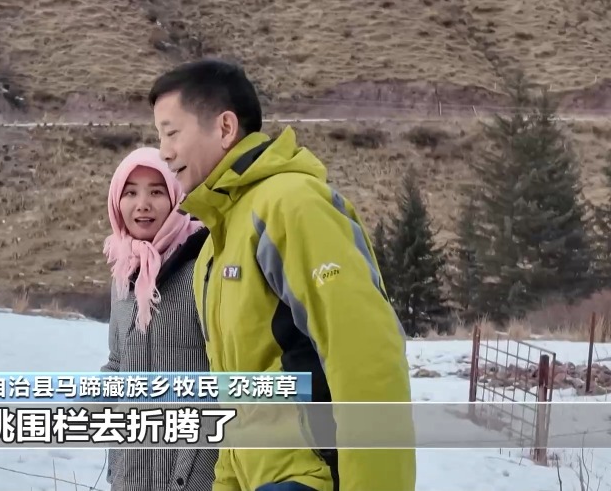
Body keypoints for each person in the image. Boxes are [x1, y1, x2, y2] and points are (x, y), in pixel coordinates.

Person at [147, 59, 416, 491]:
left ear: (225, 127)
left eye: (172, 132)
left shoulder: (292, 205)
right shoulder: (216, 244)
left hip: (307, 477)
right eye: (160, 137)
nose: (163, 151)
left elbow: (367, 356)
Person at [100, 147, 218, 491]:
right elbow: (117, 364)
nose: (142, 205)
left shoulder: (203, 266)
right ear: (116, 202)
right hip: (131, 469)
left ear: (175, 197)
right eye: (130, 193)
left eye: (156, 192)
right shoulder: (123, 273)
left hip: (193, 468)